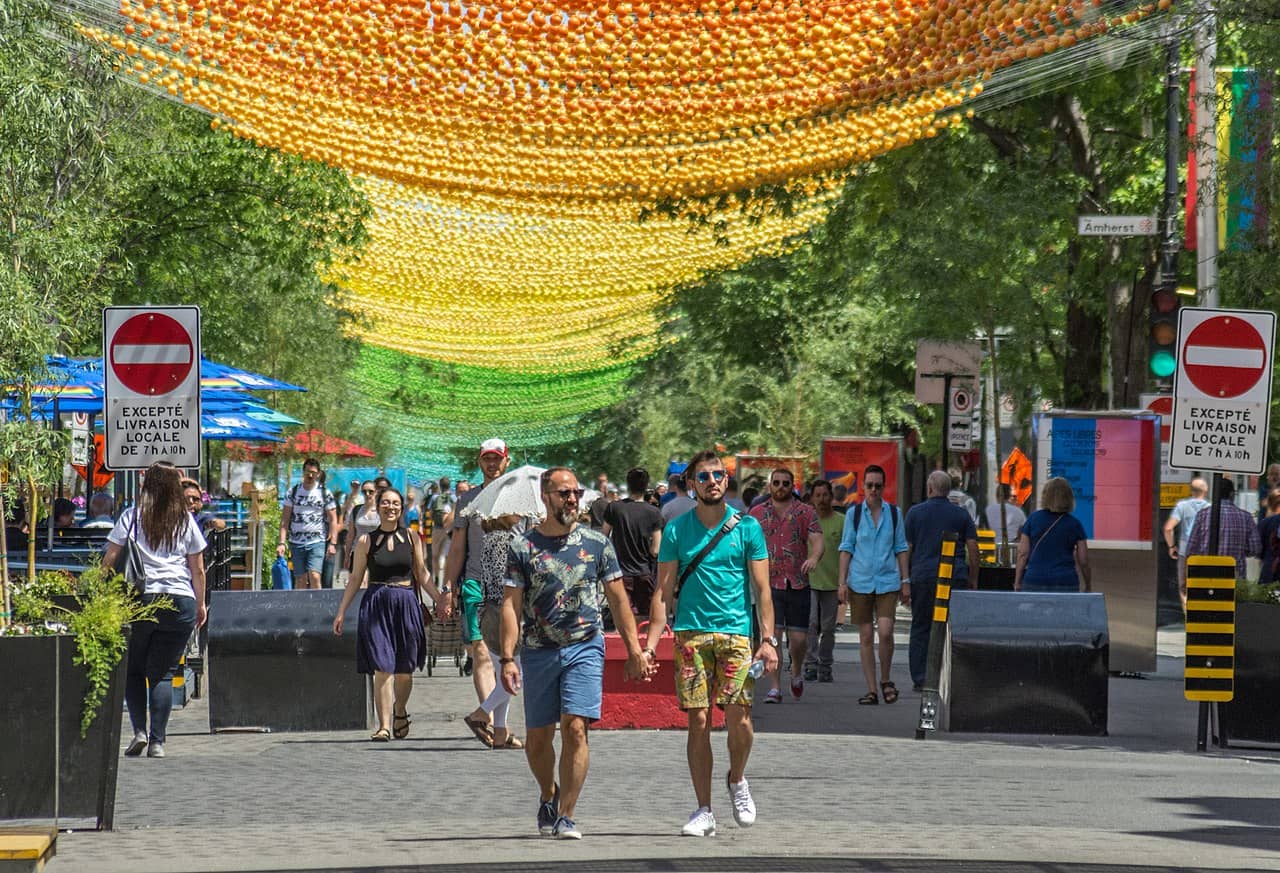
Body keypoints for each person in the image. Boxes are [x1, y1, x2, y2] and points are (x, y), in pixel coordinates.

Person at [499, 466, 649, 840]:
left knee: (576, 728)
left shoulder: (597, 543)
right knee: (538, 737)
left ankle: (567, 814)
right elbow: (510, 605)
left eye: (575, 493)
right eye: (563, 493)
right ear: (545, 498)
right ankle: (548, 794)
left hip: (585, 645)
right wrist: (506, 657)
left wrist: (634, 650)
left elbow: (617, 599)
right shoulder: (522, 546)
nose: (571, 499)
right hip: (538, 651)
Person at [645, 449, 776, 838]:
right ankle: (704, 809)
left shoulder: (747, 528)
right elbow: (663, 591)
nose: (713, 482)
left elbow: (763, 590)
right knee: (698, 720)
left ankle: (737, 778)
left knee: (740, 717)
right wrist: (650, 644)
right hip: (691, 634)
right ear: (691, 484)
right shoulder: (676, 530)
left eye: (718, 475)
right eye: (703, 477)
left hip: (737, 633)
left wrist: (767, 640)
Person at [103, 462, 207, 759]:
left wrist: (98, 591)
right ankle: (158, 742)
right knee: (163, 673)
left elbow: (110, 557)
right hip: (179, 600)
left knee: (133, 669)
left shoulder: (132, 517)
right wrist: (200, 604)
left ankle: (139, 731)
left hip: (140, 598)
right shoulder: (185, 520)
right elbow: (197, 568)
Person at [333, 487, 450, 741]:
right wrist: (341, 611)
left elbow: (422, 573)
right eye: (386, 503)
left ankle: (400, 710)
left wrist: (440, 598)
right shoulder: (366, 541)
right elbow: (355, 578)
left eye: (395, 503)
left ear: (401, 508)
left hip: (406, 602)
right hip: (376, 603)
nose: (391, 507)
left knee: (404, 669)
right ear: (379, 507)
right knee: (382, 666)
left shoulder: (412, 538)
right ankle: (384, 726)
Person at [447, 439, 510, 743]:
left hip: (512, 587)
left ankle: (493, 722)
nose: (492, 464)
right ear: (479, 461)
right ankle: (490, 726)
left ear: (506, 461)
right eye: (487, 458)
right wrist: (448, 586)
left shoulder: (518, 500)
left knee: (507, 657)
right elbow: (458, 547)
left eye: (497, 459)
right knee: (482, 653)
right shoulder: (467, 501)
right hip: (475, 584)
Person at [836, 465, 909, 704]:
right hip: (860, 580)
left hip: (888, 581)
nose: (874, 490)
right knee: (866, 635)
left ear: (884, 487)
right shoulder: (854, 515)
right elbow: (846, 548)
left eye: (878, 485)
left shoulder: (895, 514)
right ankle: (872, 689)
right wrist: (842, 582)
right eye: (869, 485)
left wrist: (905, 580)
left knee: (886, 632)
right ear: (863, 487)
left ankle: (886, 679)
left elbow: (901, 548)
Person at [749, 467, 822, 702]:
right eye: (776, 483)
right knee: (773, 637)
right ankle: (775, 687)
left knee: (799, 640)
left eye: (785, 483)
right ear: (770, 486)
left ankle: (797, 671)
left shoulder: (805, 512)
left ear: (793, 486)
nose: (781, 487)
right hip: (769, 585)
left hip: (798, 583)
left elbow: (817, 540)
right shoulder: (757, 513)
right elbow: (745, 542)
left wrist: (814, 557)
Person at [905, 470, 979, 692]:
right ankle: (949, 675)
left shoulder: (915, 514)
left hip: (923, 577)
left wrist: (905, 579)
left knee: (921, 627)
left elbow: (907, 549)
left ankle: (921, 677)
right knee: (950, 627)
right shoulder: (960, 515)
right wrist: (973, 578)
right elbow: (973, 549)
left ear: (929, 488)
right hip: (953, 577)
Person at [463, 513, 530, 750]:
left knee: (504, 673)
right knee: (516, 676)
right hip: (502, 613)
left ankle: (500, 731)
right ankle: (480, 714)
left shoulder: (492, 537)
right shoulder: (504, 540)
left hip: (490, 612)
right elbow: (509, 582)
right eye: (515, 510)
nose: (520, 514)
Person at [602, 467, 665, 620]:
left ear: (628, 484)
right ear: (646, 485)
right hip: (644, 572)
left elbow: (602, 537)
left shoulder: (614, 508)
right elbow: (656, 549)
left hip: (619, 573)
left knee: (622, 617)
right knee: (646, 617)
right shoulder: (654, 512)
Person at [1014, 477, 1091, 593]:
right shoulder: (1075, 524)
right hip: (1065, 581)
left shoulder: (1033, 519)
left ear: (1045, 496)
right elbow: (1084, 560)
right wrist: (1088, 584)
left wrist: (1017, 581)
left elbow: (1023, 554)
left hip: (1035, 580)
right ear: (1069, 497)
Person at [801, 479, 844, 683]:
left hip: (832, 582)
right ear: (811, 498)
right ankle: (810, 663)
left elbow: (847, 552)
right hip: (809, 581)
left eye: (825, 495)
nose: (822, 499)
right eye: (817, 495)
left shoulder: (841, 521)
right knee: (810, 624)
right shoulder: (806, 520)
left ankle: (825, 664)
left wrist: (846, 581)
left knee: (828, 628)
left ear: (831, 496)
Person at [278, 458, 338, 590]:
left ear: (318, 474)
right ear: (303, 473)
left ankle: (317, 607)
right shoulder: (292, 492)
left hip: (317, 541)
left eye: (313, 472)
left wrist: (333, 543)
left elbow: (333, 519)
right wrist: (282, 542)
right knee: (300, 579)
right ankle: (301, 608)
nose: (310, 475)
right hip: (296, 542)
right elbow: (285, 520)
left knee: (315, 576)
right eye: (307, 472)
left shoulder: (325, 493)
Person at [1186, 478, 1261, 582]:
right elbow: (1255, 548)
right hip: (1234, 574)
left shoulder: (1202, 515)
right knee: (1233, 598)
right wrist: (1240, 550)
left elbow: (1191, 548)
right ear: (1232, 494)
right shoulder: (1246, 517)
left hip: (1206, 573)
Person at [1163, 477, 1210, 610]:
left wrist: (1172, 547)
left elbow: (1168, 528)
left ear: (1191, 491)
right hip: (1204, 553)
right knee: (1202, 584)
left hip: (1185, 551)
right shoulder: (1210, 507)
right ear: (1205, 490)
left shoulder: (1182, 506)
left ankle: (1187, 614)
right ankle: (1201, 614)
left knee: (1184, 587)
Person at [344, 481, 382, 572]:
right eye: (364, 492)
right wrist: (347, 555)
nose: (367, 494)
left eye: (370, 491)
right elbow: (350, 535)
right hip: (357, 551)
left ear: (376, 492)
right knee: (357, 582)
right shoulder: (356, 510)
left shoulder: (381, 510)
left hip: (376, 553)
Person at [429, 476, 455, 585]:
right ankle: (445, 578)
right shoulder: (454, 498)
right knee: (446, 554)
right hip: (450, 529)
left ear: (440, 485)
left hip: (437, 528)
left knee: (435, 554)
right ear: (450, 485)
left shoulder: (435, 498)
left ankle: (436, 576)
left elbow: (430, 513)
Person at [984, 483, 1026, 551]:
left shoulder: (987, 510)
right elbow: (1023, 533)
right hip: (1011, 549)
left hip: (991, 549)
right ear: (1009, 495)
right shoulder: (1019, 512)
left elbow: (978, 527)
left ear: (997, 495)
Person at [1257, 490, 1280, 586]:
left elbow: (1258, 549)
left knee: (1267, 599)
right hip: (1271, 569)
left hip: (1269, 571)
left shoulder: (1265, 523)